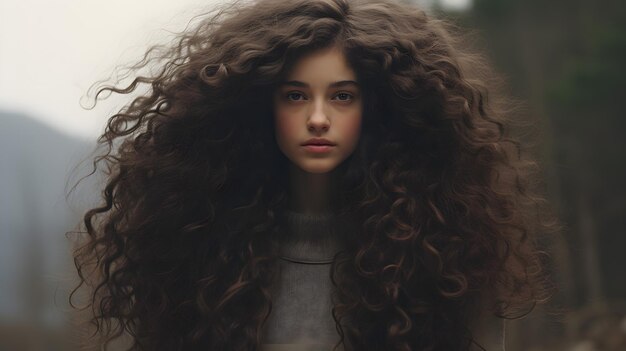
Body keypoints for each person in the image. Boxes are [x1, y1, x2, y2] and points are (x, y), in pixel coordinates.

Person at [71, 0, 552, 350]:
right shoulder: (190, 255)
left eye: (342, 96)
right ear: (261, 106)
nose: (318, 118)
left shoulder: (447, 261)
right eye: (296, 96)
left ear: (378, 108)